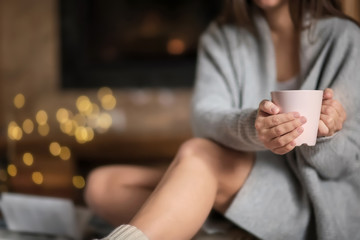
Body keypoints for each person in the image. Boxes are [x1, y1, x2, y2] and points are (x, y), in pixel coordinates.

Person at [84, 0, 360, 239]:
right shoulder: (221, 37)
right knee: (102, 184)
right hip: (237, 182)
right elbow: (205, 119)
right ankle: (231, 234)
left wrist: (326, 135)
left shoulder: (346, 38)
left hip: (309, 201)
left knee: (198, 153)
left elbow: (343, 167)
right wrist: (255, 127)